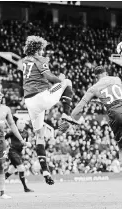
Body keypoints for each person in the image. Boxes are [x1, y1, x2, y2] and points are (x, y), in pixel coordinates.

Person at [20, 35, 79, 185]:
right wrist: (60, 80)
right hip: (41, 97)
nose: (43, 51)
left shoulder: (25, 61)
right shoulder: (40, 59)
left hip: (29, 102)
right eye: (42, 49)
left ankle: (45, 170)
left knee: (39, 137)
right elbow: (48, 76)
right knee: (67, 82)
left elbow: (37, 78)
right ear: (38, 48)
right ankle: (66, 113)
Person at [70, 66, 122, 189]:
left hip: (115, 113)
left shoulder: (94, 88)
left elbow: (81, 105)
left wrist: (71, 117)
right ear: (106, 73)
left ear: (96, 76)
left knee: (121, 146)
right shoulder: (117, 79)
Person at [0, 119, 34, 193]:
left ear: (24, 124)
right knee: (21, 168)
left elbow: (27, 143)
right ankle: (25, 188)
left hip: (19, 153)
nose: (21, 124)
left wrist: (28, 144)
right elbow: (3, 138)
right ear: (17, 124)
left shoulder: (26, 133)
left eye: (22, 123)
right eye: (20, 123)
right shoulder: (13, 131)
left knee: (11, 170)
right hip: (12, 152)